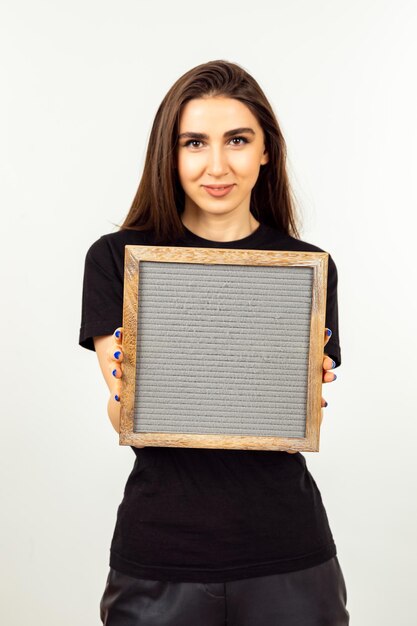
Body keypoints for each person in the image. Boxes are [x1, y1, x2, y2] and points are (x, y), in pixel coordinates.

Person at [79, 59, 350, 625]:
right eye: (195, 142)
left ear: (265, 151)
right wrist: (136, 395)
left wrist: (304, 393)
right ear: (170, 155)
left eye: (238, 140)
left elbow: (296, 418)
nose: (217, 165)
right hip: (159, 557)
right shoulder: (119, 259)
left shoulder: (307, 268)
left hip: (290, 555)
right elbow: (125, 412)